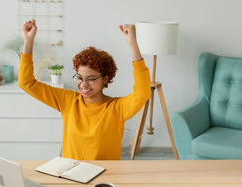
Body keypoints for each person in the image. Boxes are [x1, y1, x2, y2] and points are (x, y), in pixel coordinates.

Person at [19, 19, 151, 160]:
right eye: (80, 77)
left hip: (105, 176)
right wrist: (28, 41)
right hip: (71, 174)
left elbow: (142, 92)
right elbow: (26, 83)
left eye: (91, 78)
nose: (83, 84)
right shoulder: (68, 101)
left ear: (105, 79)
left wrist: (133, 44)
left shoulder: (117, 108)